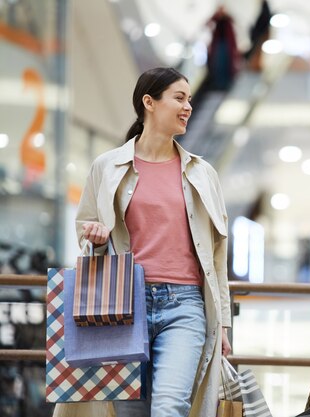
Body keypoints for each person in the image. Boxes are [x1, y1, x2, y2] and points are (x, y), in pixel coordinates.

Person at [54, 67, 231, 417]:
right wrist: (96, 236)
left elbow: (217, 254)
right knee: (129, 412)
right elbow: (85, 227)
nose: (188, 107)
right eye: (179, 98)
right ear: (149, 102)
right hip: (121, 304)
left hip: (185, 306)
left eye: (190, 100)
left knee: (169, 406)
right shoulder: (107, 166)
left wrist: (223, 322)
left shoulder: (201, 172)